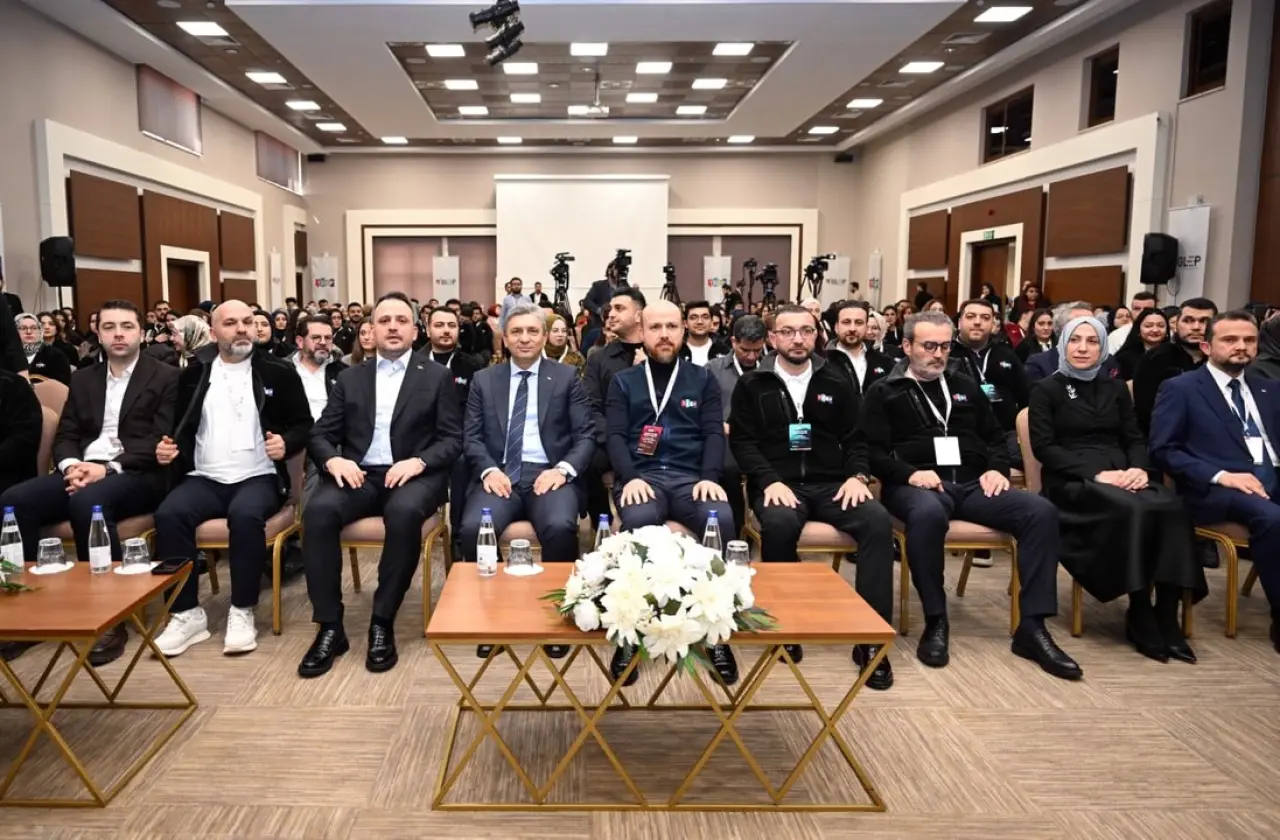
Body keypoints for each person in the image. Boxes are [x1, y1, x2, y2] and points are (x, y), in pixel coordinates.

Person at [862, 311, 1081, 680]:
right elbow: (872, 452)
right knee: (928, 514)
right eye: (929, 346)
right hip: (916, 486)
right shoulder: (884, 391)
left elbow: (995, 437)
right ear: (907, 346)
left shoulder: (964, 384)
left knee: (1040, 511)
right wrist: (909, 473)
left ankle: (1032, 626)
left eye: (944, 346)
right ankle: (936, 619)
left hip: (974, 484)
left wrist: (996, 468)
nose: (938, 354)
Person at [0, 301, 178, 665]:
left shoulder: (166, 376)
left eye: (126, 326)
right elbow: (66, 434)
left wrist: (107, 468)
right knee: (13, 501)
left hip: (137, 473)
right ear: (98, 333)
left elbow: (160, 439)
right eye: (109, 327)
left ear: (141, 333)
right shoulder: (83, 378)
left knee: (88, 503)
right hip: (80, 469)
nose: (118, 334)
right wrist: (70, 467)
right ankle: (27, 613)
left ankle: (110, 618)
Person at [730, 306, 896, 689]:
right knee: (779, 524)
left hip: (832, 484)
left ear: (816, 335)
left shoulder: (836, 380)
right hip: (779, 484)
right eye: (788, 332)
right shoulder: (752, 384)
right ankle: (785, 626)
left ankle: (871, 639)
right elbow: (743, 443)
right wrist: (769, 480)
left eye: (806, 331)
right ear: (773, 338)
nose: (798, 339)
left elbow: (856, 439)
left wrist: (857, 476)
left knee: (877, 521)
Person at [297, 293, 460, 678]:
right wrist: (334, 460)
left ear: (415, 331)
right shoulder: (350, 377)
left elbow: (453, 439)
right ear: (370, 330)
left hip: (414, 474)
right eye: (384, 320)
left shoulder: (436, 376)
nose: (392, 327)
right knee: (317, 512)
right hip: (360, 474)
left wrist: (419, 462)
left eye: (401, 321)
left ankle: (382, 621)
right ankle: (330, 627)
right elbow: (320, 434)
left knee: (403, 513)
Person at [1029, 315, 1203, 663]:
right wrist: (1098, 475)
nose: (1083, 348)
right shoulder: (1046, 389)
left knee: (1173, 507)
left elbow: (1134, 437)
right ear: (1063, 345)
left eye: (1092, 341)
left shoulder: (1116, 387)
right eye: (1075, 340)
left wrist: (1138, 468)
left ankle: (1166, 611)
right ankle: (1139, 609)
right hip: (1073, 482)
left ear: (1103, 348)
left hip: (1125, 473)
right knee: (1133, 510)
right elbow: (1045, 448)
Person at [150, 300, 314, 658]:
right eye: (231, 323)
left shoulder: (278, 371)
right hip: (204, 477)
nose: (241, 329)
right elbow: (176, 428)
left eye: (247, 322)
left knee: (245, 516)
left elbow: (305, 424)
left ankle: (242, 610)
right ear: (213, 332)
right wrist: (166, 449)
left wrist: (286, 443)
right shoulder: (193, 374)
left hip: (258, 476)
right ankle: (185, 613)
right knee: (169, 514)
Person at [606, 299, 735, 684]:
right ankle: (629, 634)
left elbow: (713, 432)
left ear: (683, 330)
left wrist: (710, 476)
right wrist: (629, 477)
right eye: (656, 327)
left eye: (672, 327)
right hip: (642, 477)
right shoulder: (624, 381)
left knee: (720, 520)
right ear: (641, 332)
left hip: (691, 478)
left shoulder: (703, 379)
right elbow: (615, 436)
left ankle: (717, 634)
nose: (664, 335)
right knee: (639, 524)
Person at [1150, 311, 1280, 652]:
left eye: (1249, 340)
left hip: (1272, 478)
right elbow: (1164, 450)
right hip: (1215, 489)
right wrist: (1222, 476)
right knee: (1273, 518)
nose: (1241, 346)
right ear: (1207, 347)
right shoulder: (1182, 389)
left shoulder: (1270, 389)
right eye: (1230, 340)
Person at [458, 302, 594, 596]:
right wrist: (489, 470)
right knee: (472, 529)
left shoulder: (567, 377)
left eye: (532, 331)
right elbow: (471, 436)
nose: (524, 338)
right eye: (516, 332)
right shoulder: (484, 380)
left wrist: (562, 471)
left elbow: (586, 435)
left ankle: (558, 604)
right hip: (499, 473)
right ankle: (495, 601)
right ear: (505, 339)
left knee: (560, 526)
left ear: (544, 337)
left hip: (549, 474)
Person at [582, 287, 648, 521]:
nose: (610, 314)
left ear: (639, 315)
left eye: (619, 309)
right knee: (585, 461)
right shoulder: (598, 358)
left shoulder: (658, 355)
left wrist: (646, 371)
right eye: (610, 309)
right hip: (610, 438)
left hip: (654, 438)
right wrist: (614, 439)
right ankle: (603, 524)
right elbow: (590, 407)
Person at [422, 305, 483, 552]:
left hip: (459, 437)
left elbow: (476, 411)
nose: (446, 331)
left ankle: (458, 536)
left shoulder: (472, 365)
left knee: (462, 463)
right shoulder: (413, 363)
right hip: (420, 440)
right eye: (439, 325)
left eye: (452, 325)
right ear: (427, 330)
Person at [706, 314, 768, 536]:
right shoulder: (713, 369)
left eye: (757, 350)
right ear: (733, 342)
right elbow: (702, 409)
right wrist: (719, 424)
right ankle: (734, 533)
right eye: (745, 350)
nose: (751, 356)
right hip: (726, 440)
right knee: (727, 468)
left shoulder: (771, 369)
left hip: (764, 442)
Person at [950, 299, 1029, 468]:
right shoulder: (946, 354)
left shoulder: (1007, 354)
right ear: (959, 322)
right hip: (958, 433)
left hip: (1004, 433)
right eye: (971, 316)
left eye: (985, 318)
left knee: (1023, 460)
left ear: (993, 324)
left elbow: (1025, 398)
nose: (978, 322)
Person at [1133, 298, 1217, 435]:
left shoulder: (1222, 360)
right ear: (1176, 324)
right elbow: (1146, 411)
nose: (1196, 327)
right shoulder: (1154, 359)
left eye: (1204, 321)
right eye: (1188, 320)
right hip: (1167, 434)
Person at [1025, 302, 1120, 381]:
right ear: (1062, 330)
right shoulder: (1039, 364)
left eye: (1092, 323)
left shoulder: (1108, 361)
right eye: (1080, 324)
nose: (1089, 328)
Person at [826, 301, 894, 396]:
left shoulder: (883, 361)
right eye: (846, 322)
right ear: (836, 327)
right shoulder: (823, 362)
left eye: (859, 323)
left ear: (866, 327)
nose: (852, 328)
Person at [1113, 308, 1169, 382]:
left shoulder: (1175, 355)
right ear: (1138, 329)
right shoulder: (1124, 359)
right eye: (1148, 326)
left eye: (1161, 326)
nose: (1155, 330)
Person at [16, 312, 71, 383]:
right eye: (23, 328)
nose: (29, 332)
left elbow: (63, 385)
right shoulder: (7, 356)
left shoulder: (56, 356)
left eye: (34, 328)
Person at [681, 300, 729, 366]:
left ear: (711, 322)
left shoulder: (724, 350)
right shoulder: (677, 351)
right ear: (685, 323)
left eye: (705, 317)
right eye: (693, 318)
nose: (700, 322)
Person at [544, 311, 586, 377]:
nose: (560, 334)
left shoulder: (576, 358)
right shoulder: (535, 356)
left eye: (564, 331)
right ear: (546, 333)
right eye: (555, 331)